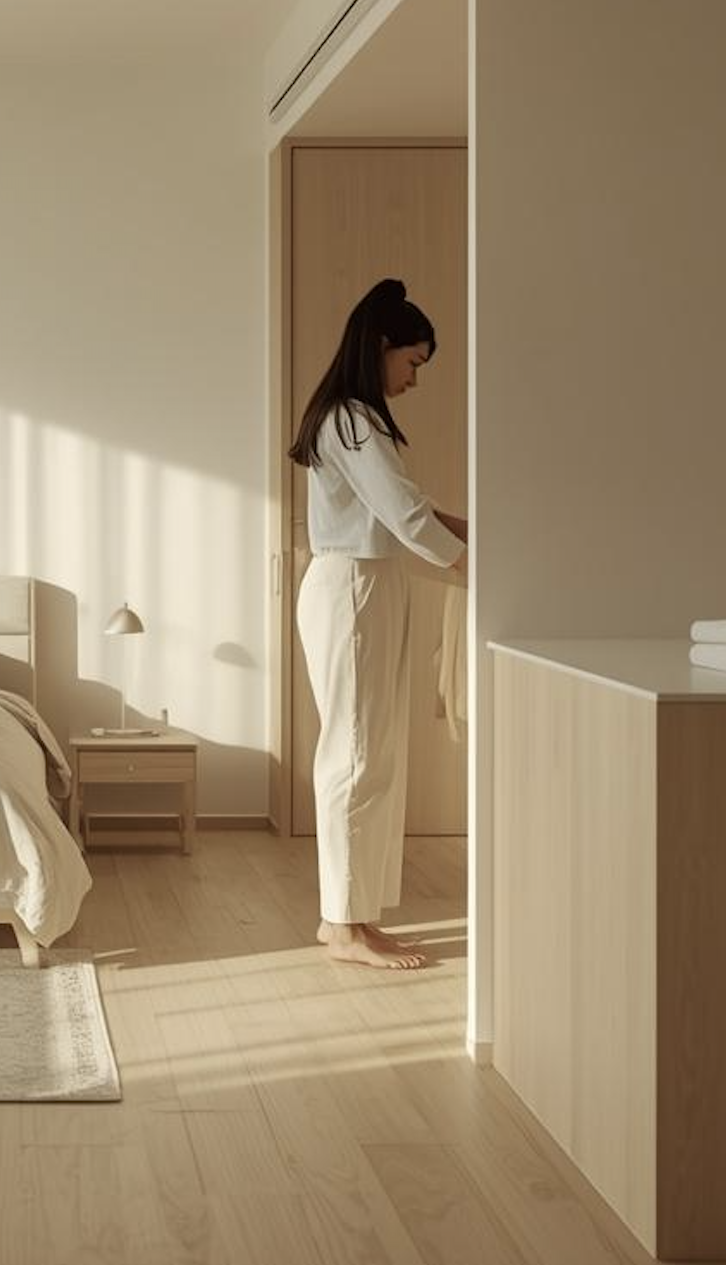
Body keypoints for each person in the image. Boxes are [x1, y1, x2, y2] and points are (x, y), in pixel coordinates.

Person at [285, 277, 468, 970]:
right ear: (383, 345)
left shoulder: (357, 418)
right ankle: (344, 926)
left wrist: (476, 535)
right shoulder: (352, 420)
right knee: (356, 754)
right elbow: (407, 516)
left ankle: (351, 917)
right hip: (353, 590)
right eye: (413, 362)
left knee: (373, 753)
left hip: (371, 586)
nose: (414, 379)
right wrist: (475, 565)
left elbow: (410, 507)